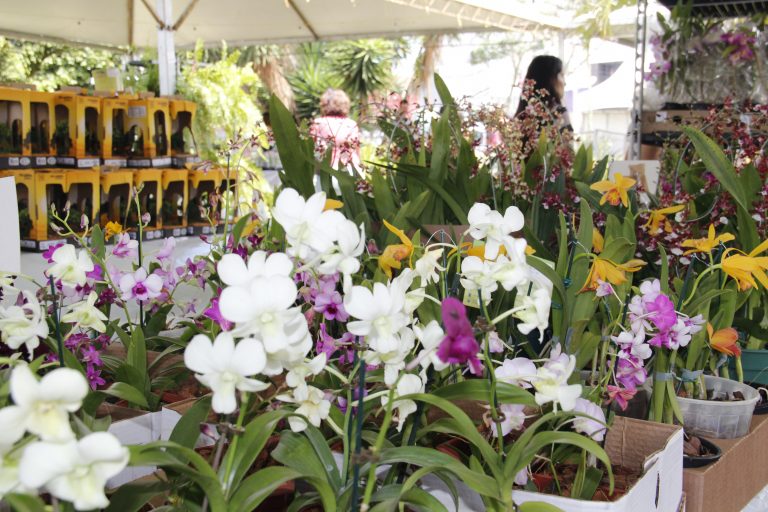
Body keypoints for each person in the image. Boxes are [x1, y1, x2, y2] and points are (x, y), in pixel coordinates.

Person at [310, 89, 362, 177]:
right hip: (347, 171)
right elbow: (356, 151)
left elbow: (310, 147)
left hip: (323, 172)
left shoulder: (318, 123)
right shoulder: (351, 124)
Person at [515, 55, 573, 135]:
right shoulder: (559, 113)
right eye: (562, 75)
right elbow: (568, 145)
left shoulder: (520, 118)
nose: (565, 83)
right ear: (550, 78)